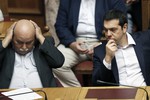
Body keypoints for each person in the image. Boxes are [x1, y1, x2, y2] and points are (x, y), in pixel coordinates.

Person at [53, 0, 127, 87]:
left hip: (104, 40)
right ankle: (78, 94)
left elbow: (120, 25)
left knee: (115, 62)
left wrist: (101, 43)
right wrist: (72, 43)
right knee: (55, 62)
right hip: (75, 41)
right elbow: (60, 25)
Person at [0, 19, 64, 89]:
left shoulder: (42, 46)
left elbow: (59, 62)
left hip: (43, 95)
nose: (24, 47)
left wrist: (40, 36)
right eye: (19, 42)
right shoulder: (5, 49)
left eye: (29, 43)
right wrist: (6, 39)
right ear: (12, 38)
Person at [92, 9, 150, 86]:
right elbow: (97, 83)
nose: (108, 34)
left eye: (113, 30)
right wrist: (108, 58)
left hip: (144, 92)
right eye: (106, 30)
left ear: (125, 27)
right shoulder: (99, 51)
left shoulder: (145, 39)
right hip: (119, 95)